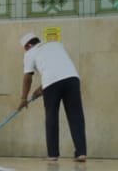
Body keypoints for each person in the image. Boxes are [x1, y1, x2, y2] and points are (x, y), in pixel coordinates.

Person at [19, 33, 87, 163]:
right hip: (72, 79)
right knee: (76, 116)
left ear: (27, 46)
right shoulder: (56, 44)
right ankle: (81, 152)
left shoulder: (30, 53)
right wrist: (41, 88)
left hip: (51, 83)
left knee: (51, 117)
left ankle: (52, 154)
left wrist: (23, 98)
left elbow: (27, 77)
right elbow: (57, 68)